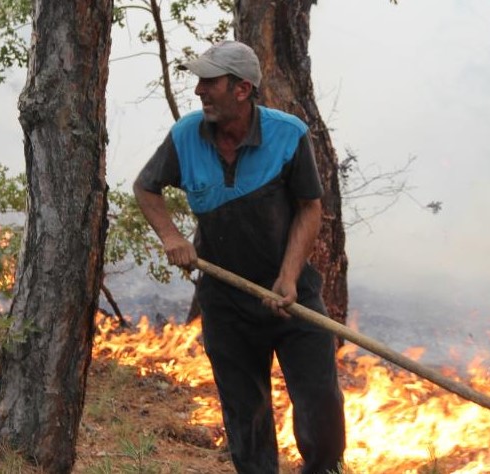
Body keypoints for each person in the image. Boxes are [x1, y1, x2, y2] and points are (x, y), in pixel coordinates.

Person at [132, 40, 346, 474]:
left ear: (242, 89)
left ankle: (324, 468)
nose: (199, 92)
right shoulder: (185, 137)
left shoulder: (289, 135)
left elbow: (310, 207)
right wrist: (172, 235)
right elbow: (145, 187)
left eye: (210, 83)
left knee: (320, 404)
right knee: (245, 415)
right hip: (226, 300)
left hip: (292, 295)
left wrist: (287, 279)